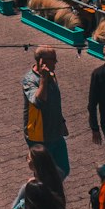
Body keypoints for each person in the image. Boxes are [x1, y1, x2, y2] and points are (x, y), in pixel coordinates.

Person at [22, 46, 70, 178]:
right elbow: (38, 102)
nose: (56, 62)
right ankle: (41, 194)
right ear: (42, 61)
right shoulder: (29, 80)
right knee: (43, 173)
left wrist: (62, 122)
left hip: (55, 132)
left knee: (63, 169)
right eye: (53, 59)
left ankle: (51, 190)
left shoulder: (52, 75)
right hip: (39, 136)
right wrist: (43, 78)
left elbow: (55, 102)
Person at [11, 144, 66, 209]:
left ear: (34, 164)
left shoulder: (31, 186)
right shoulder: (58, 174)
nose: (27, 160)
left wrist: (26, 196)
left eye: (28, 158)